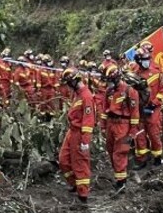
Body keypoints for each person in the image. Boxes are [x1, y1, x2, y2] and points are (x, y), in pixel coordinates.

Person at [58, 68, 96, 203]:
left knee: (80, 163)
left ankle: (83, 194)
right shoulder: (77, 94)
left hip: (79, 133)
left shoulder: (86, 96)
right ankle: (74, 184)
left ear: (74, 81)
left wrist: (85, 140)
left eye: (68, 83)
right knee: (63, 159)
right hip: (72, 131)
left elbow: (88, 120)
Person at [102, 64, 141, 191]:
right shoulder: (109, 91)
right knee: (111, 150)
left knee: (120, 153)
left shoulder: (129, 91)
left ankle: (121, 182)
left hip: (123, 125)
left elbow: (135, 112)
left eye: (110, 80)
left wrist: (133, 131)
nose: (108, 83)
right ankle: (119, 176)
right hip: (111, 124)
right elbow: (104, 109)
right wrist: (103, 126)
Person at [131, 42, 163, 167]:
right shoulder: (134, 72)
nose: (147, 61)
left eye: (148, 59)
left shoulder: (156, 71)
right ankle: (142, 159)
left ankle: (157, 157)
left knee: (153, 132)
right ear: (138, 61)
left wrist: (154, 104)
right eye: (144, 59)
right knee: (139, 133)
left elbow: (162, 90)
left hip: (153, 108)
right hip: (140, 109)